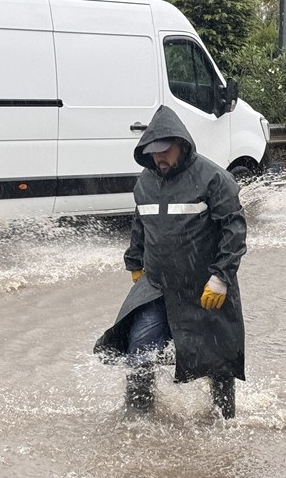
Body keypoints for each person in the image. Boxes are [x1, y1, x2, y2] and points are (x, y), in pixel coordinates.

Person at [95, 105, 248, 419]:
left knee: (218, 361)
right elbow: (141, 224)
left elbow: (234, 230)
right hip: (158, 287)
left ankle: (224, 423)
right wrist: (135, 262)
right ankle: (137, 421)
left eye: (165, 151)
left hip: (205, 286)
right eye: (153, 153)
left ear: (182, 144)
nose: (158, 158)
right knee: (140, 349)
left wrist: (221, 277)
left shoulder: (214, 179)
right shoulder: (146, 184)